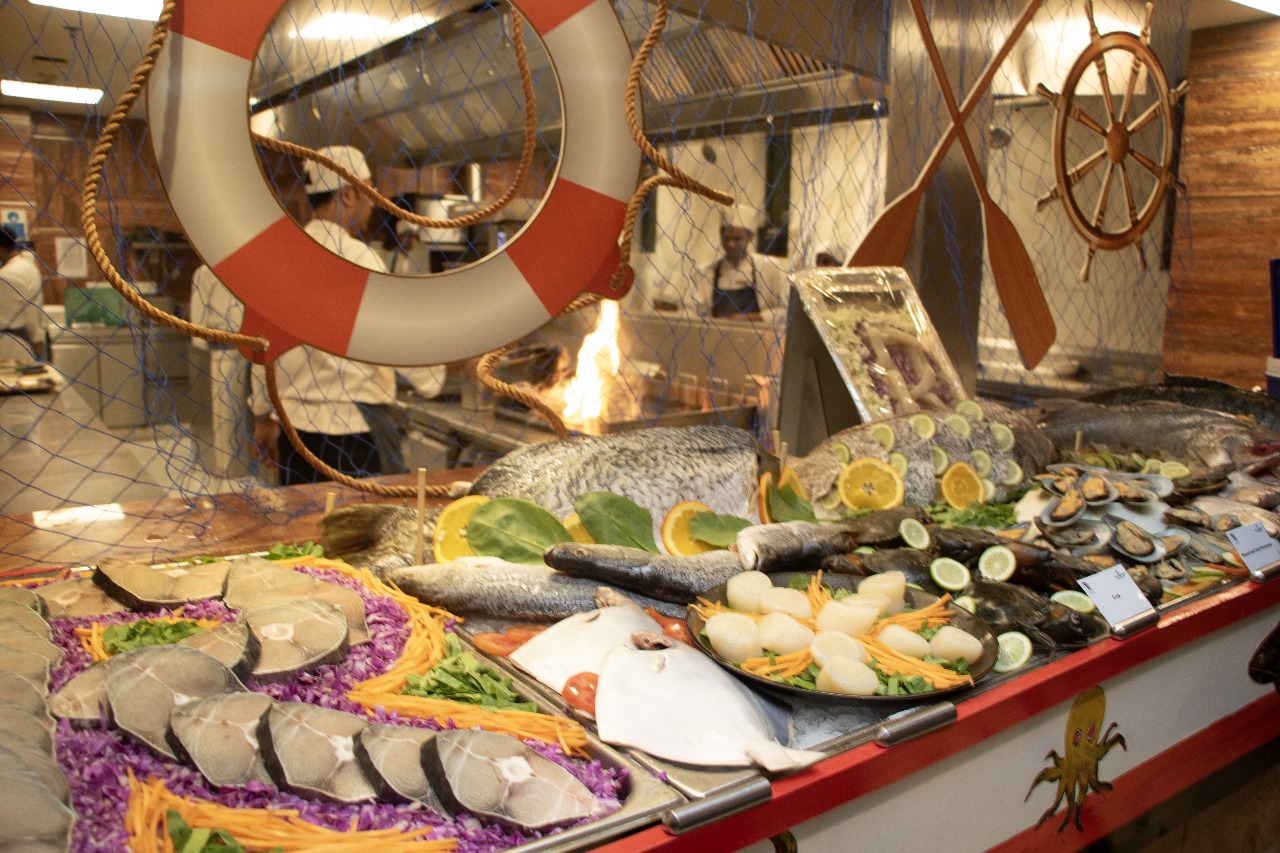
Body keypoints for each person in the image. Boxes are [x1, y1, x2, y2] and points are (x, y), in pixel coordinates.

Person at [248, 145, 404, 485]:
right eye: (368, 191)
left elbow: (260, 346)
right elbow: (399, 341)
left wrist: (263, 416)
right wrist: (448, 367)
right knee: (369, 518)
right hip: (356, 429)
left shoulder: (280, 257)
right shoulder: (361, 260)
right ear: (347, 194)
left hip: (295, 433)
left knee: (306, 517)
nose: (373, 203)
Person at [687, 204, 791, 322]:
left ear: (750, 236)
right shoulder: (704, 272)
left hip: (759, 333)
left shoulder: (769, 268)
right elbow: (689, 312)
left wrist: (754, 318)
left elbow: (787, 311)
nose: (730, 244)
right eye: (726, 238)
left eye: (737, 239)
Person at [0, 229, 45, 358]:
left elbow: (29, 311)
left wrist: (36, 340)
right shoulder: (28, 266)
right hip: (33, 338)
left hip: (17, 341)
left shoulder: (7, 275)